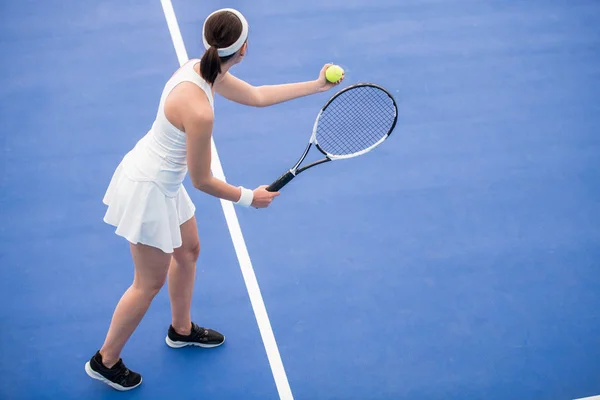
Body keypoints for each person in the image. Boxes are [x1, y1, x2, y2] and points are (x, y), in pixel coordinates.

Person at [84, 7, 344, 391]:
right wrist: (247, 197)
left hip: (161, 181)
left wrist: (316, 85)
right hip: (148, 188)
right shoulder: (200, 110)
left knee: (188, 251)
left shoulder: (202, 68)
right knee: (147, 283)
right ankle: (105, 360)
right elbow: (202, 179)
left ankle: (181, 328)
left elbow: (255, 96)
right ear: (243, 50)